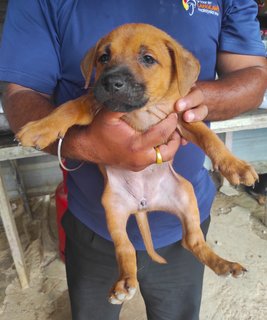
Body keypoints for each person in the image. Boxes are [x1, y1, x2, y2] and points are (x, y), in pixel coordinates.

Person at [0, 1, 266, 319]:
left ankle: (199, 247)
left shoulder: (174, 89)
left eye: (147, 59)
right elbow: (31, 95)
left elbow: (252, 77)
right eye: (105, 58)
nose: (115, 75)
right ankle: (127, 271)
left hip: (178, 199)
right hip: (92, 217)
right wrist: (77, 140)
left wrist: (198, 109)